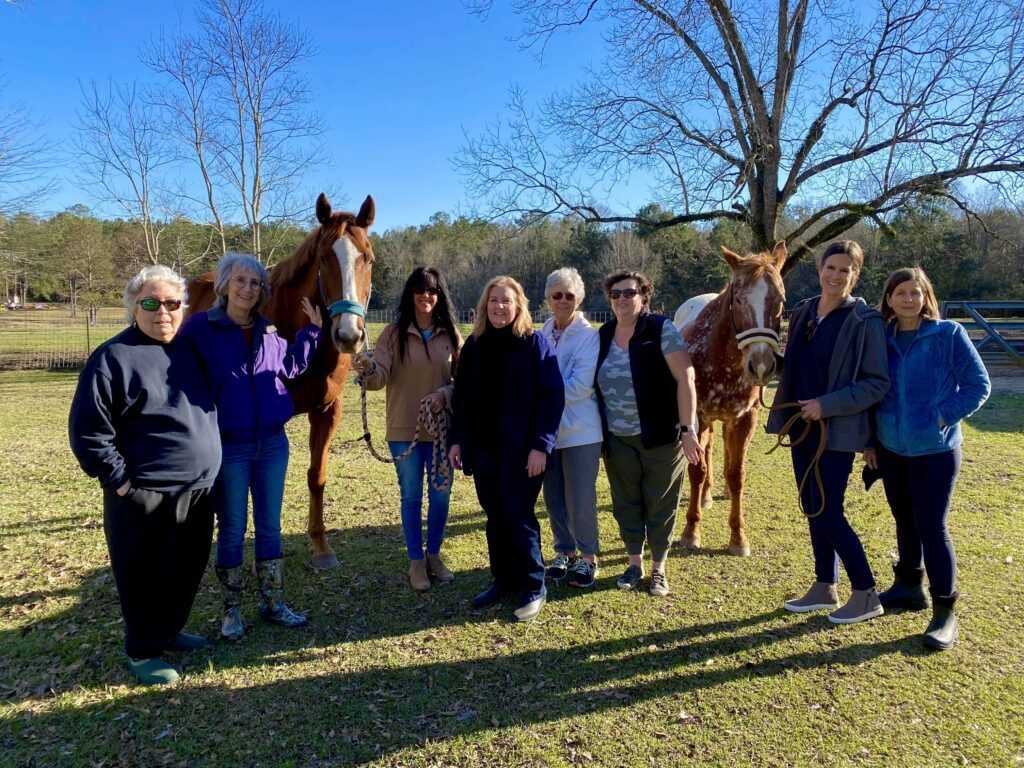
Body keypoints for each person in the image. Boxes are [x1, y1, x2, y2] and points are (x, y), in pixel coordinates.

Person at [69, 265, 221, 685]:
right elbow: (88, 433)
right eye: (151, 303)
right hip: (146, 492)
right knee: (144, 573)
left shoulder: (187, 350)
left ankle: (168, 632)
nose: (163, 313)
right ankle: (142, 649)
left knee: (185, 568)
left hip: (197, 489)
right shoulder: (113, 358)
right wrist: (122, 482)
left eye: (172, 304)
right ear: (133, 307)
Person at [180, 253, 321, 640]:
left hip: (273, 443)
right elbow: (176, 370)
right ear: (224, 285)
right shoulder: (199, 329)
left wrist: (311, 333)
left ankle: (273, 603)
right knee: (232, 529)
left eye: (255, 283)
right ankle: (231, 611)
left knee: (270, 526)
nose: (247, 288)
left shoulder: (268, 330)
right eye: (240, 281)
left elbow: (288, 368)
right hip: (230, 447)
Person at [864, 267, 990, 649]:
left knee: (932, 528)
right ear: (888, 298)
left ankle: (945, 611)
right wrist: (871, 441)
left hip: (935, 450)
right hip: (890, 448)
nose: (907, 299)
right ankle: (907, 586)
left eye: (915, 292)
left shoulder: (947, 334)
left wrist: (941, 416)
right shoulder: (880, 338)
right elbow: (873, 391)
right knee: (904, 519)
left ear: (925, 296)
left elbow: (978, 385)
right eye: (900, 292)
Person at [768, 241, 890, 624]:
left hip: (836, 431)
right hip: (801, 426)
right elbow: (796, 367)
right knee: (811, 508)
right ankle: (824, 586)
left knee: (828, 510)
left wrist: (827, 404)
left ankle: (867, 592)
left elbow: (875, 383)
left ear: (855, 275)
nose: (836, 275)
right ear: (820, 267)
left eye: (845, 270)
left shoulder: (863, 321)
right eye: (831, 267)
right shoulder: (803, 312)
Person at [448, 276, 565, 622]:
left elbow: (552, 397)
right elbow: (463, 399)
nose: (500, 307)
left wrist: (540, 447)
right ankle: (503, 578)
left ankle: (533, 584)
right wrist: (458, 440)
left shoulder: (534, 344)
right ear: (485, 305)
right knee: (495, 515)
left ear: (519, 306)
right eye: (494, 300)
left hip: (523, 452)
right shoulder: (475, 345)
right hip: (484, 450)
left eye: (507, 301)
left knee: (519, 515)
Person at [593, 271, 703, 597]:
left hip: (661, 438)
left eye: (629, 293)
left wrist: (688, 429)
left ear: (644, 296)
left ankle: (658, 569)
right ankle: (633, 563)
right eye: (616, 294)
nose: (622, 299)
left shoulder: (660, 330)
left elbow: (687, 379)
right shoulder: (603, 335)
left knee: (660, 504)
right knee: (626, 502)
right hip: (617, 437)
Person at [351, 267, 461, 591]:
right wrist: (368, 368)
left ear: (439, 296)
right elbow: (380, 376)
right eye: (419, 290)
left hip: (441, 429)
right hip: (402, 430)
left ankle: (435, 555)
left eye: (432, 291)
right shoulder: (392, 334)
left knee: (440, 496)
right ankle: (416, 560)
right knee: (411, 495)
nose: (425, 296)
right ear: (410, 293)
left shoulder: (451, 334)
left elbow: (465, 381)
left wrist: (446, 394)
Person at [539, 268, 603, 588]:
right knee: (553, 497)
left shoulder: (589, 337)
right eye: (557, 295)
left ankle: (588, 557)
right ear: (548, 299)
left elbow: (580, 386)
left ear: (579, 298)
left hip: (581, 431)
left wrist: (539, 391)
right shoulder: (542, 333)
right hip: (548, 432)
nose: (563, 301)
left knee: (580, 498)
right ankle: (564, 551)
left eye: (569, 295)